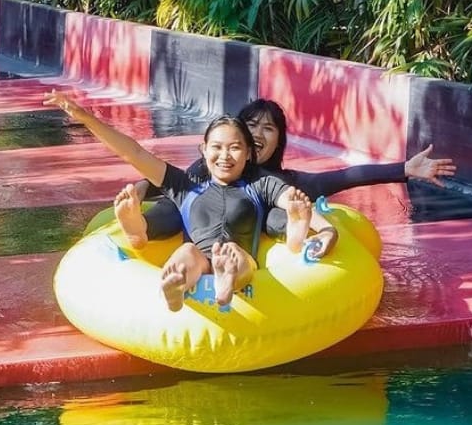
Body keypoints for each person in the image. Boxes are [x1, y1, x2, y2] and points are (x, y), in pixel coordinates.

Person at [44, 90, 335, 312]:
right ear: (203, 150)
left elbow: (293, 201)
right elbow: (133, 153)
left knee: (236, 255)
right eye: (217, 148)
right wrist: (85, 118)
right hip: (199, 253)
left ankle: (229, 275)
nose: (225, 155)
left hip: (241, 255)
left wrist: (323, 228)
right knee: (186, 254)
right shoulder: (185, 186)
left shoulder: (258, 183)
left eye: (235, 148)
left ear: (248, 153)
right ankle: (176, 283)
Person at [119, 98, 457, 255]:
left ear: (279, 140)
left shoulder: (284, 182)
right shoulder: (209, 167)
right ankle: (138, 229)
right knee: (172, 209)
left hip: (250, 238)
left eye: (269, 128)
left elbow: (346, 176)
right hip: (198, 226)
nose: (258, 133)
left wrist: (404, 169)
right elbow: (172, 182)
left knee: (282, 214)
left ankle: (305, 237)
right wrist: (139, 189)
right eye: (251, 125)